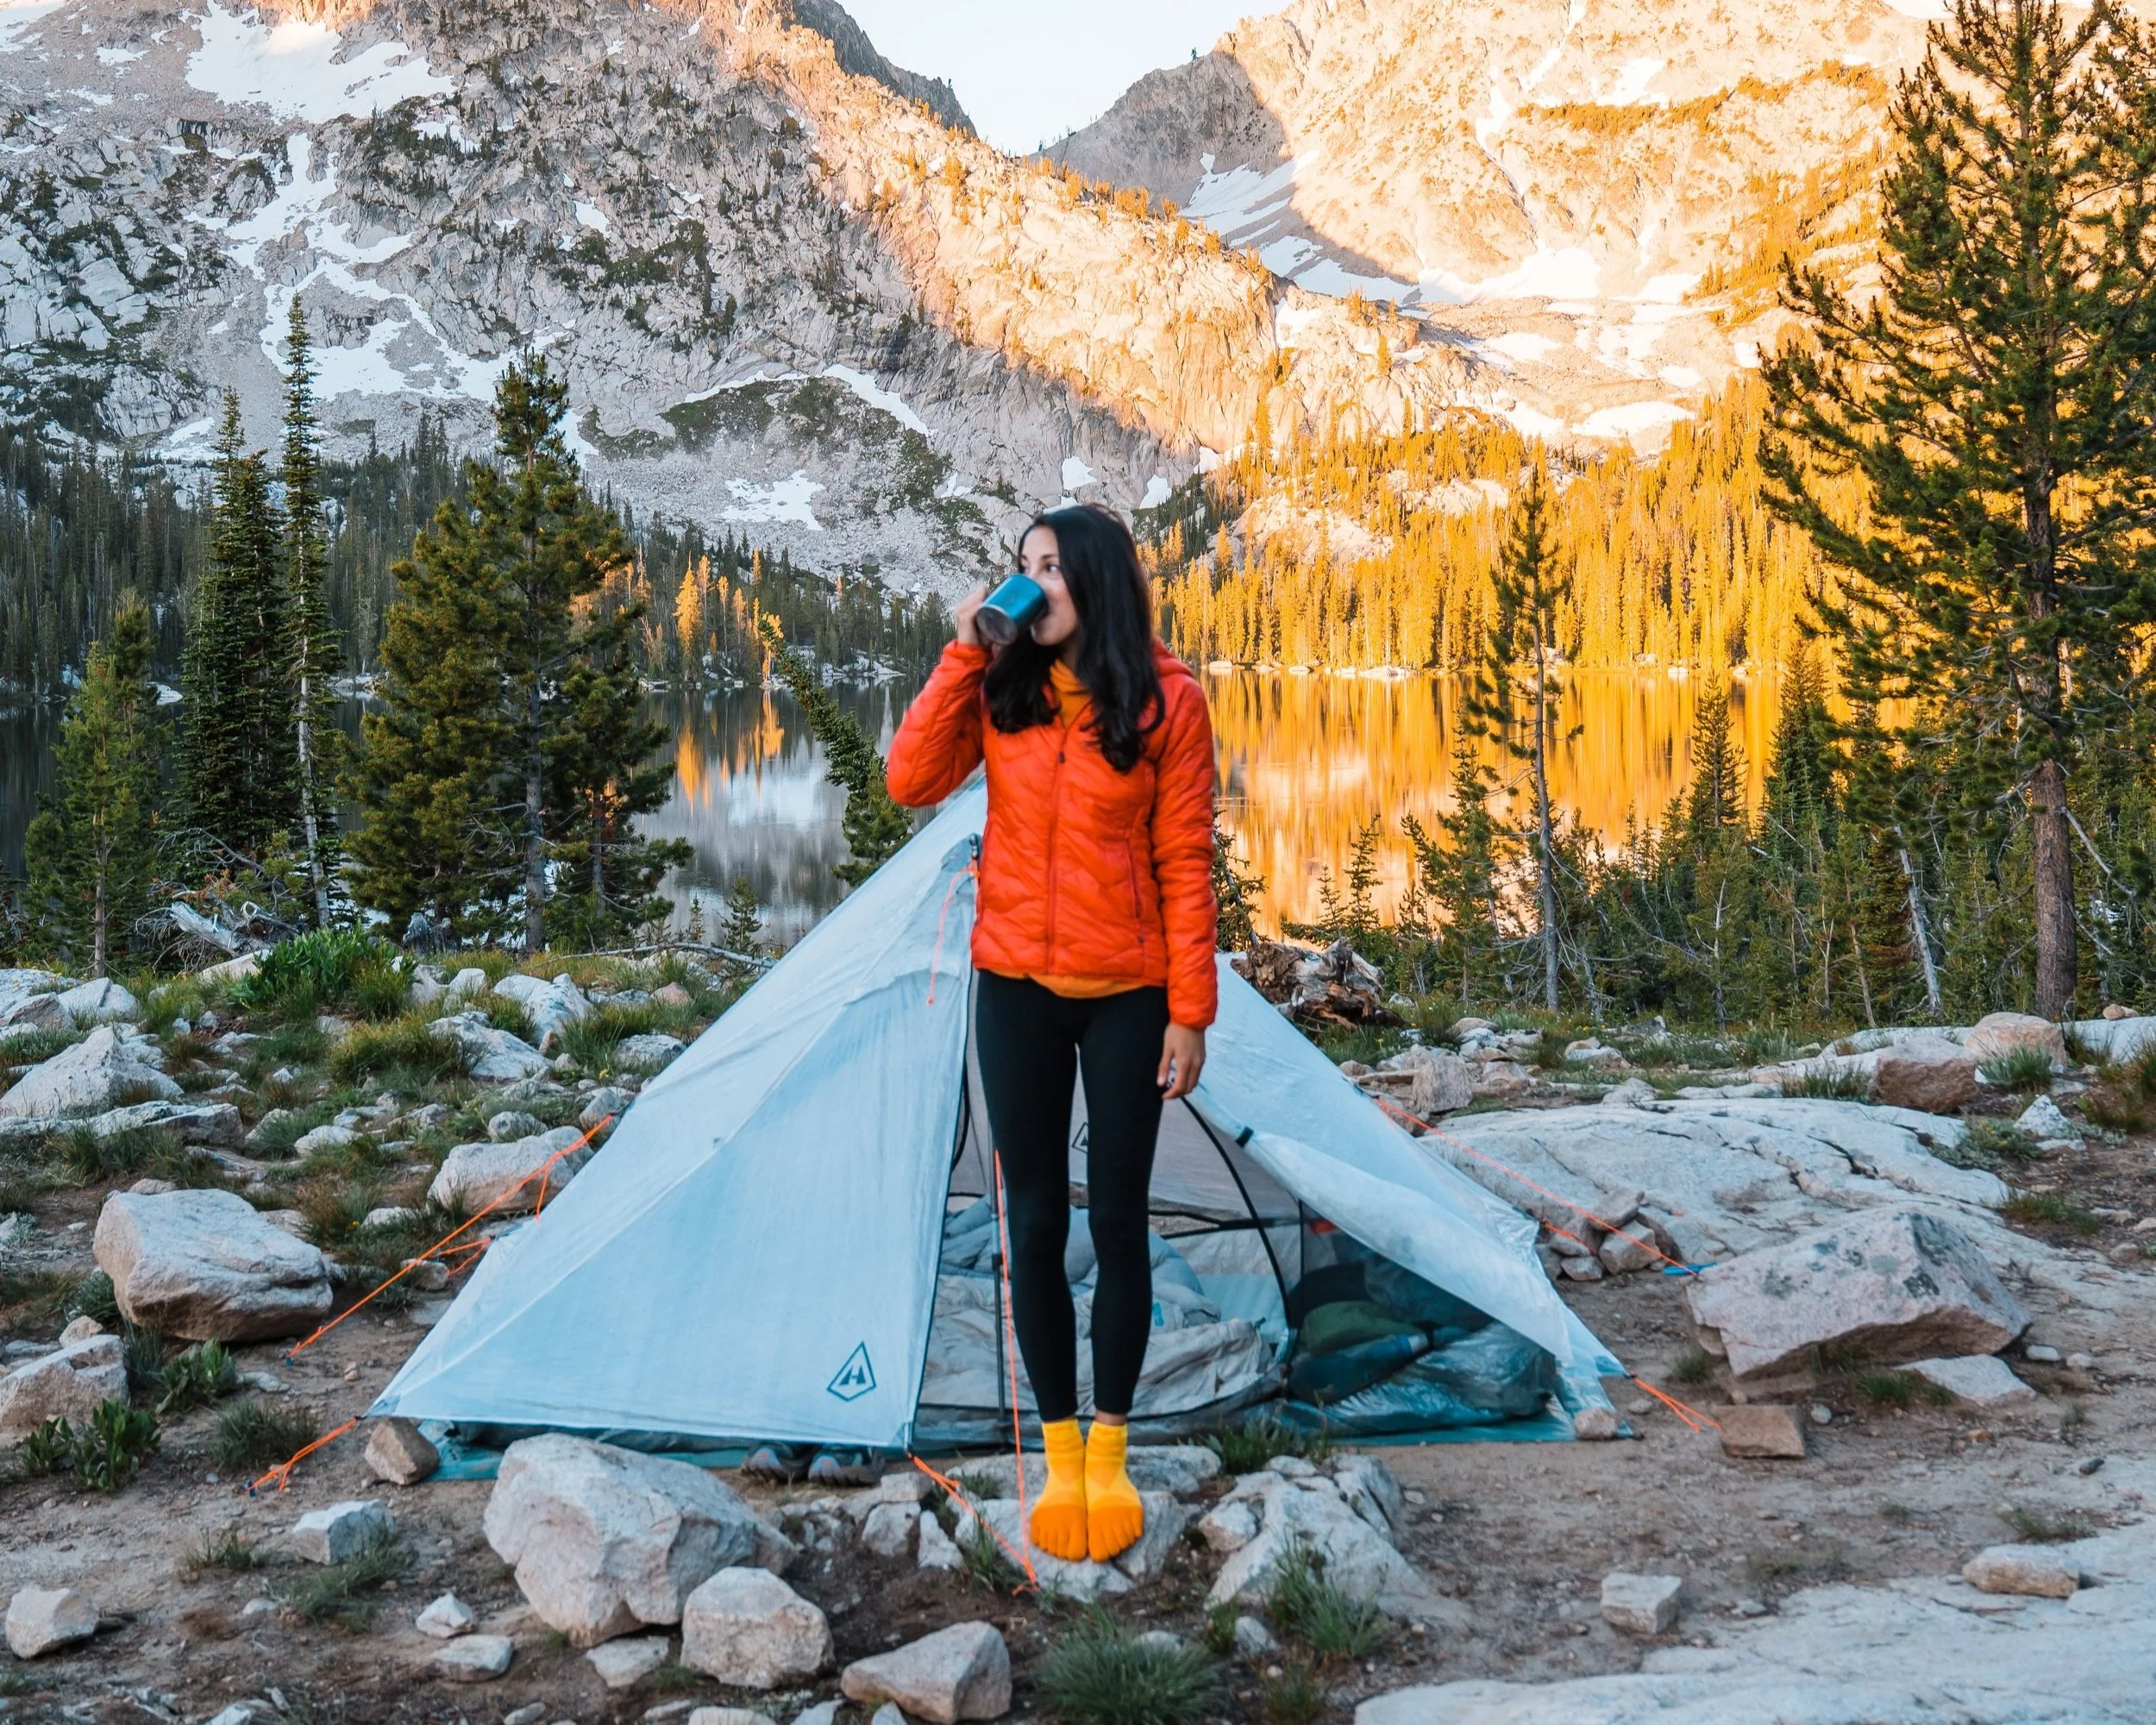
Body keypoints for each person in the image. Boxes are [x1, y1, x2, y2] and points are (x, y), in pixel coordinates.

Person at [887, 502, 1219, 1563]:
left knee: (1116, 1221)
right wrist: (962, 648)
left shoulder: (1169, 699)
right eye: (1019, 567)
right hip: (1016, 984)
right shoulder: (1002, 687)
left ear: (1095, 581)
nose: (1029, 585)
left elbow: (1185, 863)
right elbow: (906, 781)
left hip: (1126, 990)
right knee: (1029, 1223)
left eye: (1048, 569)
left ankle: (1112, 1451)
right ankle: (1061, 1453)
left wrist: (1189, 1012)